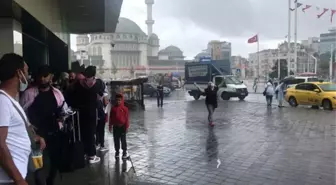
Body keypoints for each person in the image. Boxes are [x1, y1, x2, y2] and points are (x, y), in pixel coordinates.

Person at [0, 53, 45, 185]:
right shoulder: (2, 101)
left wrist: (34, 137)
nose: (28, 76)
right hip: (8, 179)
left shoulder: (9, 99)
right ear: (19, 73)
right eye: (26, 71)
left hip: (14, 176)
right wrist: (19, 180)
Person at [20, 65, 67, 185]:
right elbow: (21, 113)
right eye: (40, 76)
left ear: (51, 76)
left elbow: (64, 111)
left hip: (55, 134)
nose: (42, 79)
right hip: (37, 136)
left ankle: (50, 181)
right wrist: (29, 126)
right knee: (38, 166)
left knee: (54, 163)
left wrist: (61, 121)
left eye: (45, 76)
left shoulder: (57, 94)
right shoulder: (29, 94)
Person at [68, 66, 105, 164]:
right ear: (94, 74)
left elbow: (71, 94)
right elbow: (101, 94)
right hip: (92, 111)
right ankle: (92, 155)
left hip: (80, 111)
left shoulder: (79, 84)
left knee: (82, 132)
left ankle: (83, 153)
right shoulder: (98, 83)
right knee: (91, 133)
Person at [109, 94, 129, 159]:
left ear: (122, 100)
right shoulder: (113, 108)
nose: (118, 102)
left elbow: (127, 119)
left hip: (122, 127)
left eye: (119, 100)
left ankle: (124, 152)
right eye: (117, 100)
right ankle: (117, 152)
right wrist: (110, 126)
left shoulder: (125, 109)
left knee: (123, 140)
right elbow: (111, 118)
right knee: (116, 140)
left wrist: (126, 127)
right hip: (115, 127)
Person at [95, 78, 109, 152]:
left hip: (95, 115)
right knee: (101, 130)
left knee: (97, 130)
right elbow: (105, 103)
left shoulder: (94, 92)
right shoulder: (104, 94)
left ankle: (97, 144)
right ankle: (102, 145)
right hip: (102, 114)